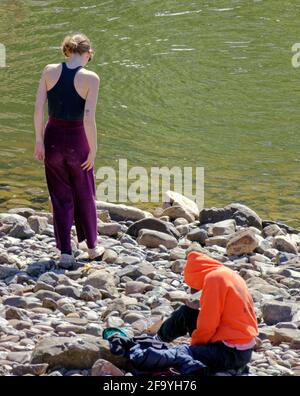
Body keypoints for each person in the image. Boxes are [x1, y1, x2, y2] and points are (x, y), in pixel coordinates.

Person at [33, 32, 104, 267]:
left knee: (60, 197)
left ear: (67, 51)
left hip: (52, 137)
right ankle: (92, 248)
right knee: (85, 193)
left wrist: (39, 141)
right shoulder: (91, 78)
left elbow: (38, 110)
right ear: (87, 54)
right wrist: (93, 149)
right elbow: (88, 118)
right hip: (77, 141)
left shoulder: (49, 70)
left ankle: (65, 252)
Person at [156, 249, 259, 375]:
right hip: (243, 352)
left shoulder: (214, 279)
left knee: (179, 354)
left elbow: (208, 324)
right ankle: (158, 339)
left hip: (228, 352)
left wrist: (194, 348)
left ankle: (155, 343)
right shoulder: (229, 274)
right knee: (186, 313)